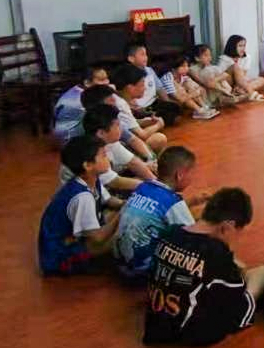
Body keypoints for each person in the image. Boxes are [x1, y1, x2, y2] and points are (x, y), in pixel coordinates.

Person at [142, 188, 264, 347]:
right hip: (189, 333)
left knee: (230, 274)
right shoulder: (217, 255)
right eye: (237, 233)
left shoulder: (170, 232)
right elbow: (237, 305)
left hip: (155, 324)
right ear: (227, 227)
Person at [114, 147, 209, 280]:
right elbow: (192, 236)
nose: (193, 178)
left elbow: (161, 209)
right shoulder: (173, 202)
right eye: (192, 173)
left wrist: (192, 201)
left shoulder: (143, 187)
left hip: (120, 263)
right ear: (180, 175)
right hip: (143, 271)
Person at [38, 136, 120, 276]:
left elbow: (110, 200)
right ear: (88, 165)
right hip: (58, 257)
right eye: (103, 155)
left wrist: (127, 203)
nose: (108, 158)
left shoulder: (89, 180)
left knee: (113, 216)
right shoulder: (82, 197)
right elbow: (98, 237)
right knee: (120, 237)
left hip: (70, 241)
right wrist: (121, 215)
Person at [62, 103, 156, 195]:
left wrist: (155, 182)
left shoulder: (109, 142)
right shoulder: (89, 151)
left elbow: (133, 162)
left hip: (103, 189)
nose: (121, 129)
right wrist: (154, 187)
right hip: (83, 196)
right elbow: (116, 182)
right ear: (101, 133)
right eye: (117, 125)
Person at [110, 64, 168, 155]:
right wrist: (158, 125)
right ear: (130, 88)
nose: (145, 88)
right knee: (159, 139)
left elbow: (127, 125)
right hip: (117, 150)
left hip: (118, 144)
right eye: (142, 84)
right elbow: (142, 135)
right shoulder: (121, 104)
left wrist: (145, 121)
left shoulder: (117, 97)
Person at [52, 63, 110, 144]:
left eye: (107, 78)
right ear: (87, 83)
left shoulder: (80, 90)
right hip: (70, 140)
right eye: (102, 80)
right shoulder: (82, 100)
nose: (107, 83)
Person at [127, 42, 181, 126]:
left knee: (175, 107)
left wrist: (167, 102)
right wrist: (136, 109)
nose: (146, 57)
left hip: (153, 102)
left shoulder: (149, 70)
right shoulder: (128, 74)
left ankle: (159, 119)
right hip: (141, 107)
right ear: (131, 59)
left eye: (146, 55)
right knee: (167, 116)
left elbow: (159, 89)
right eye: (142, 55)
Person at [157, 56, 220, 121]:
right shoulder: (167, 78)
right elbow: (179, 98)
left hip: (183, 99)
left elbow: (199, 89)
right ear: (173, 69)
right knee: (182, 91)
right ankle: (198, 110)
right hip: (170, 102)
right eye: (183, 66)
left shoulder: (183, 76)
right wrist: (192, 94)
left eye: (187, 66)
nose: (186, 68)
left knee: (189, 85)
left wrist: (194, 91)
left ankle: (204, 106)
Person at [188, 44, 245, 109]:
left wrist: (220, 80)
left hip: (217, 90)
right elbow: (207, 84)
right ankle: (224, 99)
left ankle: (233, 95)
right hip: (207, 94)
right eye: (206, 55)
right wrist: (223, 90)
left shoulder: (208, 67)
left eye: (210, 55)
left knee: (221, 71)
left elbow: (222, 76)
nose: (210, 58)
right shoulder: (192, 70)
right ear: (197, 58)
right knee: (211, 74)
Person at [219, 35, 264, 100]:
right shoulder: (224, 59)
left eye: (244, 45)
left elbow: (243, 76)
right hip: (228, 84)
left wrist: (239, 86)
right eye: (240, 46)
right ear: (232, 46)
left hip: (240, 83)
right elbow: (221, 79)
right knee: (235, 66)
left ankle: (241, 91)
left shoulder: (247, 57)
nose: (243, 48)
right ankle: (251, 93)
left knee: (262, 80)